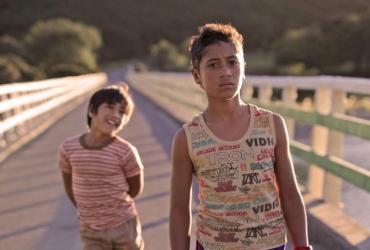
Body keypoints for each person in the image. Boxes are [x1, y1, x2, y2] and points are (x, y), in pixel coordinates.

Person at [169, 23, 312, 250]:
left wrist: (302, 246)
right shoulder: (187, 138)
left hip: (270, 244)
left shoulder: (271, 124)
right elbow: (178, 209)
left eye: (232, 62)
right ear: (197, 76)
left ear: (243, 66)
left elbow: (291, 195)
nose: (225, 71)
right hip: (213, 244)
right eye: (213, 65)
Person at [58, 83, 144, 250]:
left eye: (122, 111)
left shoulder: (126, 151)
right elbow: (69, 185)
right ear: (92, 110)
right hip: (91, 229)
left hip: (123, 225)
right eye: (110, 107)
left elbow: (135, 189)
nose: (116, 115)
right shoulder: (69, 148)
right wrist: (86, 209)